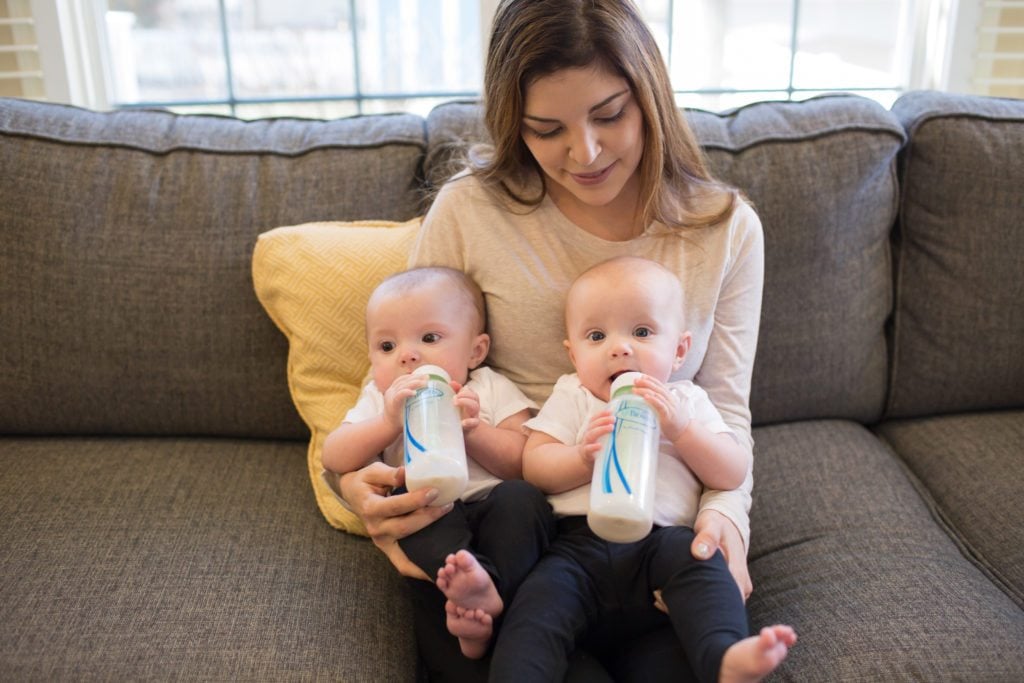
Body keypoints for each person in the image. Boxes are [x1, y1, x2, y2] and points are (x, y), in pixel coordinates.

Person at [337, 0, 767, 679]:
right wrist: (355, 483)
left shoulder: (724, 229)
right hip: (508, 528)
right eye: (547, 129)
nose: (585, 152)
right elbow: (404, 360)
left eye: (609, 114)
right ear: (515, 123)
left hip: (656, 529)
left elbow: (724, 409)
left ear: (650, 96)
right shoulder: (471, 209)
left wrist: (728, 526)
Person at [486, 255, 795, 682]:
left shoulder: (684, 400)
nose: (619, 347)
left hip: (661, 544)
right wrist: (580, 457)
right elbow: (534, 465)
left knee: (701, 566)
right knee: (535, 609)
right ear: (573, 354)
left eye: (643, 332)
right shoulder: (575, 395)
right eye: (596, 336)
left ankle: (724, 655)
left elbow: (731, 472)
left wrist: (682, 430)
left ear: (680, 350)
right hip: (579, 549)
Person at [321, 267, 555, 660]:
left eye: (429, 338)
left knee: (523, 498)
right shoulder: (383, 398)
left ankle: (484, 598)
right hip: (431, 511)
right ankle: (473, 599)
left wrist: (474, 431)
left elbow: (522, 462)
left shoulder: (488, 387)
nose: (408, 356)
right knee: (407, 500)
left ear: (475, 352)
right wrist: (386, 423)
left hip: (491, 504)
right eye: (386, 346)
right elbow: (335, 455)